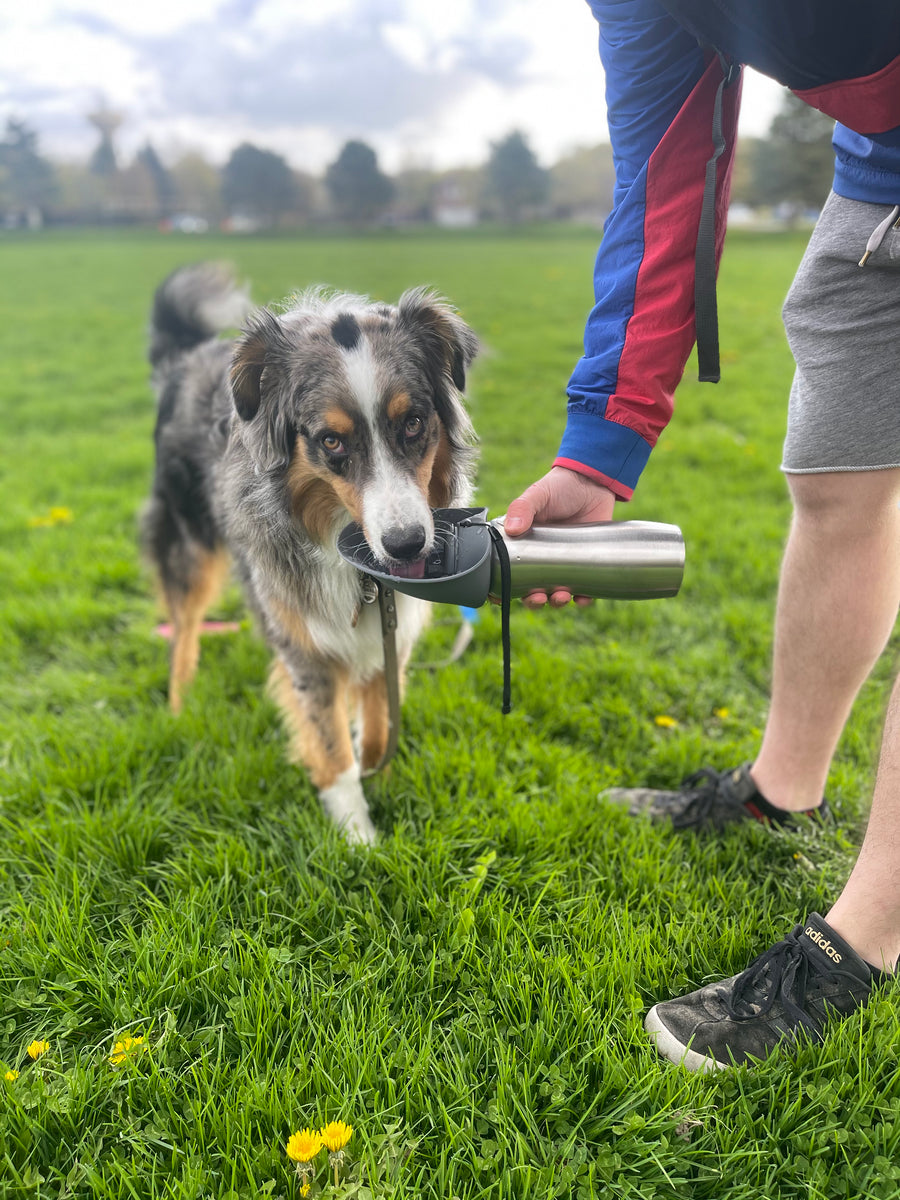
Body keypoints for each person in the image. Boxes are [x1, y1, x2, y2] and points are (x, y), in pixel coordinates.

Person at [505, 0, 900, 1070]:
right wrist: (600, 449)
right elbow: (664, 178)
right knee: (833, 485)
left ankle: (868, 934)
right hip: (882, 181)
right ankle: (783, 791)